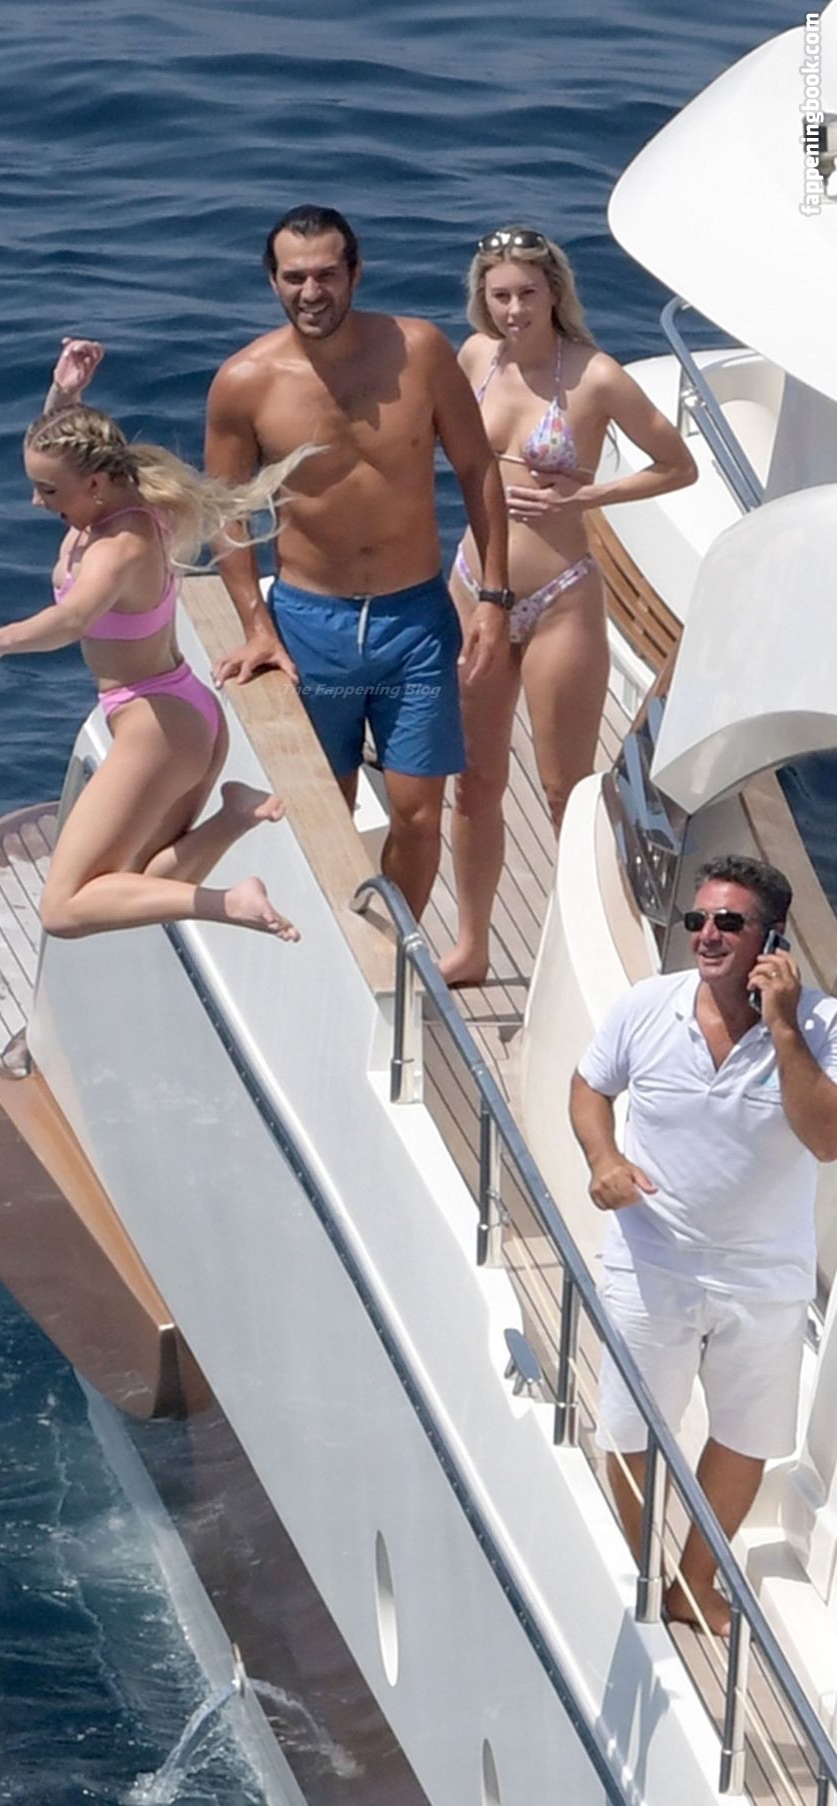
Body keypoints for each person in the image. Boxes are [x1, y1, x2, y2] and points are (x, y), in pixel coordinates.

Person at [0, 340, 312, 942]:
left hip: (157, 728)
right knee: (130, 886)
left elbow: (74, 618)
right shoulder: (124, 499)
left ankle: (231, 901)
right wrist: (64, 396)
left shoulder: (118, 547)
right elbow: (66, 452)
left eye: (48, 491)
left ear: (93, 485)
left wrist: (0, 638)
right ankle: (235, 817)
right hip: (178, 713)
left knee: (63, 909)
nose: (37, 501)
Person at [204, 204, 510, 921]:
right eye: (295, 278)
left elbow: (477, 469)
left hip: (415, 620)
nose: (312, 292)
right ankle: (333, 941)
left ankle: (396, 949)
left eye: (326, 275)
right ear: (273, 281)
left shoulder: (419, 350)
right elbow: (226, 512)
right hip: (311, 624)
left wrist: (495, 598)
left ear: (355, 273)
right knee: (325, 808)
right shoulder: (245, 381)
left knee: (419, 814)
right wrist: (257, 625)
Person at [570, 855, 837, 1636]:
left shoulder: (821, 1027)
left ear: (773, 938)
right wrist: (603, 1159)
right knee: (629, 1429)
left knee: (746, 1437)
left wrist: (782, 1027)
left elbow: (825, 1138)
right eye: (698, 920)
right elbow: (590, 1087)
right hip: (652, 1260)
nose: (708, 935)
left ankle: (693, 1583)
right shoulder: (648, 1006)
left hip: (765, 1276)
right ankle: (641, 1573)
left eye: (729, 922)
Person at [442, 226, 697, 985]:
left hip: (559, 597)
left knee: (567, 791)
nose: (514, 309)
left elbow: (676, 466)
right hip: (474, 586)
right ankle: (472, 944)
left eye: (527, 293)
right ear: (482, 298)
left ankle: (583, 954)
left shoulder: (596, 376)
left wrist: (587, 494)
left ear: (554, 291)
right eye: (500, 295)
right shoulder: (474, 358)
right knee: (474, 780)